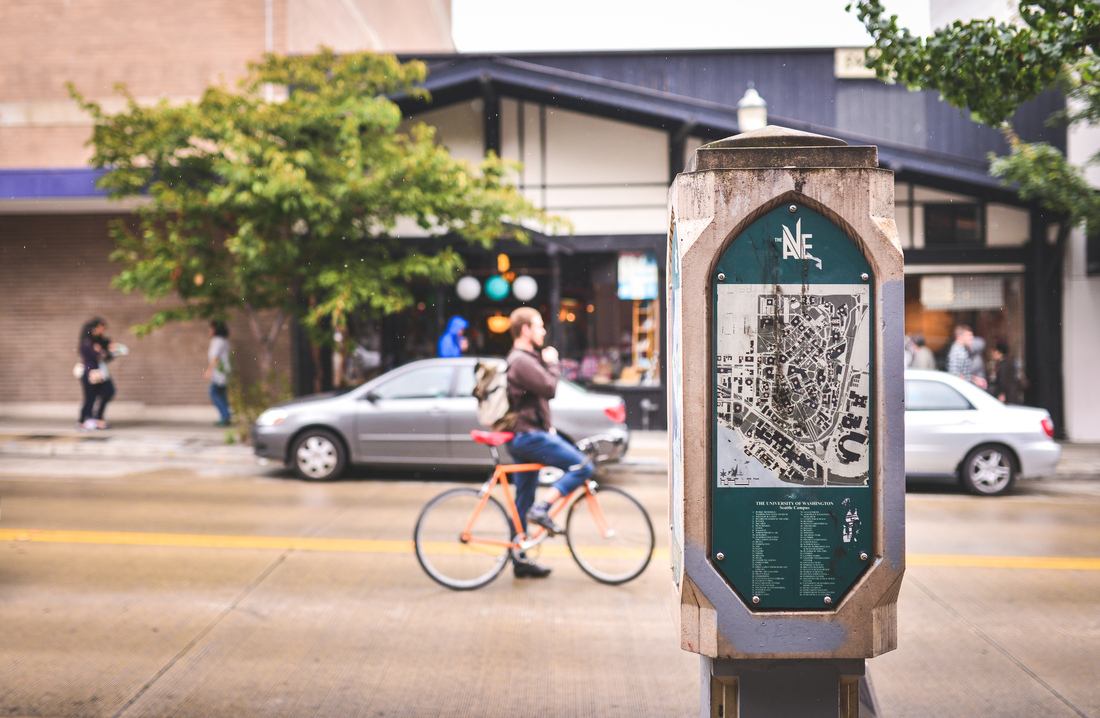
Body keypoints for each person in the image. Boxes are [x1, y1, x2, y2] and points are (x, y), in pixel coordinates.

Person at [504, 306, 595, 579]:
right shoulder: (520, 360)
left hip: (528, 435)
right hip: (528, 437)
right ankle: (543, 508)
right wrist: (553, 362)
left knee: (522, 500)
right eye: (539, 325)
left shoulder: (526, 359)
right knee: (582, 467)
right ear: (525, 330)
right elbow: (550, 388)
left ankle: (519, 560)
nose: (543, 331)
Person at [77, 317, 116, 430]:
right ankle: (84, 420)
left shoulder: (100, 341)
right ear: (95, 328)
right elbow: (88, 360)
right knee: (90, 397)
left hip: (101, 372)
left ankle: (96, 418)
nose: (103, 330)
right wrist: (90, 371)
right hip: (91, 372)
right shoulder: (87, 341)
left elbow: (106, 356)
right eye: (101, 328)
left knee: (108, 392)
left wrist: (110, 351)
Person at [204, 320, 232, 426]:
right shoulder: (223, 340)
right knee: (222, 394)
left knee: (213, 393)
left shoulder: (217, 341)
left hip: (220, 372)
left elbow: (215, 357)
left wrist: (209, 370)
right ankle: (225, 417)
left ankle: (225, 417)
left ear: (215, 329)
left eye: (211, 328)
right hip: (223, 371)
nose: (209, 330)